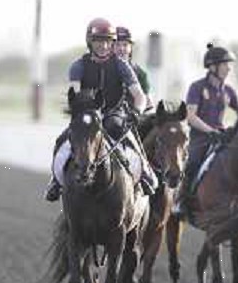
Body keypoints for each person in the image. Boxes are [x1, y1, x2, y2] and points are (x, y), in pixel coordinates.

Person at [44, 18, 157, 201]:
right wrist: (82, 112)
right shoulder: (78, 66)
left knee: (131, 140)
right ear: (90, 43)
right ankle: (56, 182)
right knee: (62, 141)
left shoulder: (122, 65)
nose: (104, 46)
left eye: (107, 41)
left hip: (115, 115)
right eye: (99, 41)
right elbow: (76, 95)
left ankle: (145, 175)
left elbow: (140, 96)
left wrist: (137, 112)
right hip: (88, 115)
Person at [173, 43, 238, 217]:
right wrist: (210, 131)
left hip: (220, 136)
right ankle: (181, 200)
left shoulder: (229, 91)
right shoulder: (197, 88)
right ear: (213, 67)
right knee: (193, 162)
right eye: (226, 64)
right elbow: (190, 116)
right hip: (199, 137)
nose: (229, 68)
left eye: (229, 65)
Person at [114, 26, 155, 112]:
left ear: (131, 48)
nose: (121, 49)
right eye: (117, 44)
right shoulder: (104, 68)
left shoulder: (140, 73)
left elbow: (148, 105)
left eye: (125, 45)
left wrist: (136, 113)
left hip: (131, 119)